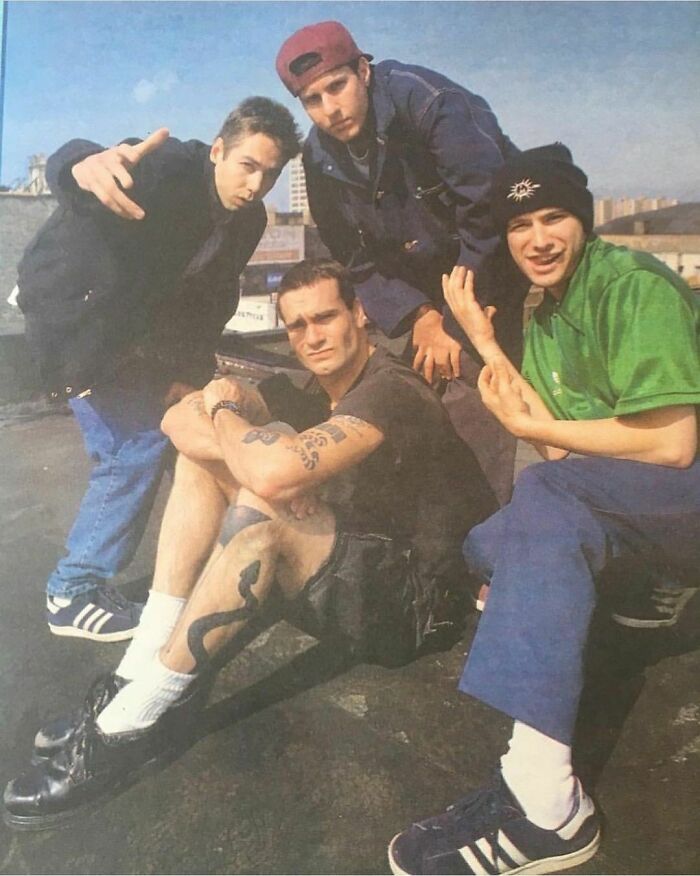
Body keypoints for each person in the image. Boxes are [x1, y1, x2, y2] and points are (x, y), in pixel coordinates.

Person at [3, 257, 496, 830]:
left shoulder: (391, 390)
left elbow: (266, 470)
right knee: (209, 462)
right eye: (296, 326)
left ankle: (129, 726)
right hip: (351, 569)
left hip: (411, 608)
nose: (312, 337)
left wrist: (255, 443)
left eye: (326, 318)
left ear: (360, 315)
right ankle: (139, 674)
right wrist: (242, 425)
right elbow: (176, 426)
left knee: (264, 513)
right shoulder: (306, 389)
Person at [387, 144, 700, 875]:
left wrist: (535, 434)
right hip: (645, 506)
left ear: (583, 219)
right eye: (520, 224)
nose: (537, 238)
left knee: (544, 500)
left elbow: (675, 443)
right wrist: (487, 340)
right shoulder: (553, 314)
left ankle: (548, 805)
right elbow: (565, 450)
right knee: (488, 545)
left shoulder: (631, 287)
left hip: (688, 487)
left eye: (553, 216)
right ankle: (647, 590)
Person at [17, 98, 301, 641]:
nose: (256, 184)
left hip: (133, 333)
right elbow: (88, 162)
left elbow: (211, 297)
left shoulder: (250, 219)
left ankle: (210, 564)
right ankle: (71, 591)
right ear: (218, 151)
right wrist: (81, 165)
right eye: (247, 165)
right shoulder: (170, 167)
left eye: (270, 173)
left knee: (164, 435)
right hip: (74, 316)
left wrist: (189, 370)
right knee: (132, 448)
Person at [275, 20, 529, 507]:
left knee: (472, 386)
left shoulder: (431, 104)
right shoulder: (318, 155)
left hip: (490, 266)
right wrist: (420, 316)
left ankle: (483, 553)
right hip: (416, 288)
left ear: (363, 71)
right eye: (312, 100)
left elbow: (492, 216)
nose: (330, 109)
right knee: (394, 385)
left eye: (337, 86)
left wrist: (453, 322)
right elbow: (354, 258)